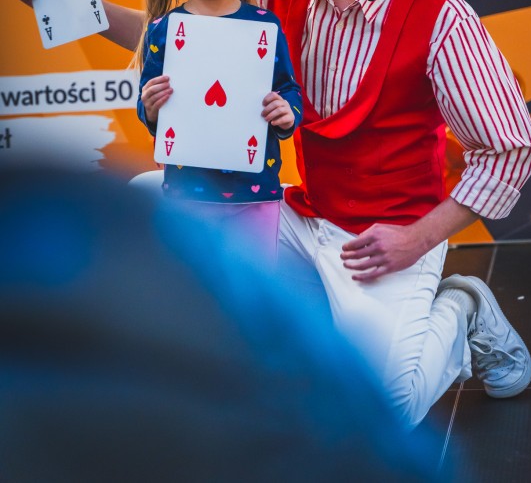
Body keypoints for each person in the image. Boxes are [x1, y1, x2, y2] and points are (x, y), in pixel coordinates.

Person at [10, 0, 531, 429]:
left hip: (386, 236)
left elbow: (510, 150)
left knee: (380, 414)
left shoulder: (442, 17)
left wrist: (417, 239)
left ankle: (464, 308)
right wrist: (75, 4)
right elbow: (182, 40)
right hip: (299, 216)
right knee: (148, 199)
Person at [0, 166, 440, 483]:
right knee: (146, 189)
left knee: (391, 405)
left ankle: (461, 307)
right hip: (288, 214)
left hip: (357, 221)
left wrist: (418, 238)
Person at [135, 0, 302, 265]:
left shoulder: (265, 25)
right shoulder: (162, 30)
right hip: (187, 197)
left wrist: (286, 112)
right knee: (196, 291)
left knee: (253, 292)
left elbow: (288, 88)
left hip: (256, 195)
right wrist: (150, 108)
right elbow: (148, 111)